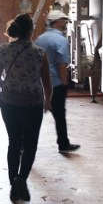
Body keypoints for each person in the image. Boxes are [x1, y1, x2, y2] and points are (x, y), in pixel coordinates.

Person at [0, 12, 52, 202]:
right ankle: (21, 179)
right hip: (32, 104)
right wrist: (48, 100)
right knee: (30, 145)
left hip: (9, 103)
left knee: (14, 143)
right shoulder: (39, 53)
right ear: (31, 31)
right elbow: (47, 82)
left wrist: (7, 86)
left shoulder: (3, 50)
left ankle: (14, 187)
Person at [35, 9, 80, 154]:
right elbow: (62, 64)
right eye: (63, 20)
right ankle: (63, 143)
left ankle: (25, 143)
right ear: (57, 22)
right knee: (59, 114)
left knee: (35, 115)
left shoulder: (40, 39)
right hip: (55, 83)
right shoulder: (61, 40)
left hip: (40, 82)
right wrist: (64, 83)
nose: (65, 22)